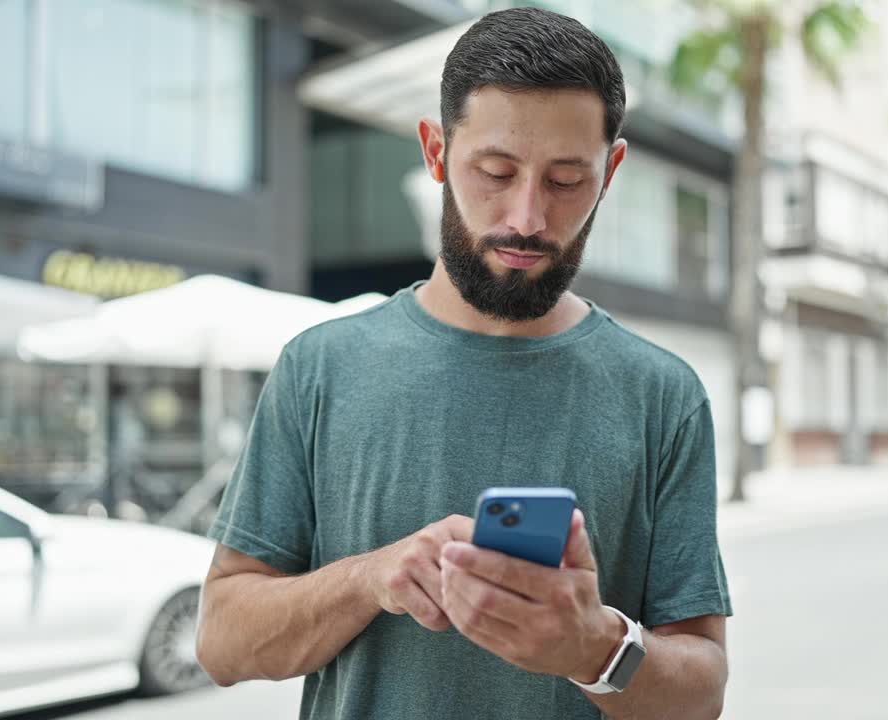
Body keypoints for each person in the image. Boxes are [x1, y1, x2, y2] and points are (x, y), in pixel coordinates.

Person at [195, 7, 732, 719]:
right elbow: (222, 642)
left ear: (612, 171)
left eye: (567, 180)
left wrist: (593, 647)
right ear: (436, 150)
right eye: (496, 171)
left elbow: (702, 693)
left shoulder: (664, 396)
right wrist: (369, 579)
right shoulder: (319, 368)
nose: (527, 218)